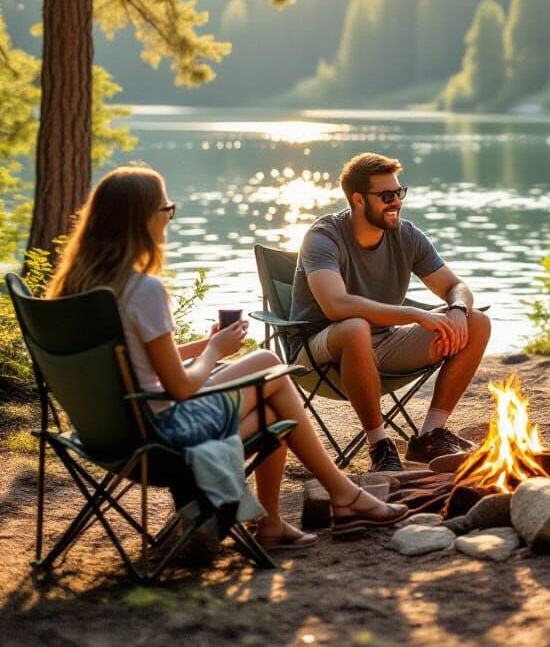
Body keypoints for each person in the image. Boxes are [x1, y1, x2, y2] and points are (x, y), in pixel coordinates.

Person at [46, 165, 408, 547]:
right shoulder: (144, 290)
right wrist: (217, 350)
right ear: (142, 219)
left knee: (272, 402)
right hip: (161, 437)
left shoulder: (76, 288)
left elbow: (129, 359)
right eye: (167, 210)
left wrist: (203, 346)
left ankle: (280, 520)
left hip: (103, 433)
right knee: (269, 366)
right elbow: (182, 388)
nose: (168, 219)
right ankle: (342, 496)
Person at [289, 152, 490, 472]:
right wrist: (414, 315)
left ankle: (429, 437)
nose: (396, 201)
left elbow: (457, 286)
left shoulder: (406, 235)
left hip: (383, 344)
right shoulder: (323, 236)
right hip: (317, 353)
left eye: (399, 192)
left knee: (476, 321)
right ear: (358, 200)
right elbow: (336, 305)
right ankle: (380, 446)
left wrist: (455, 308)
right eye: (386, 196)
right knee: (355, 326)